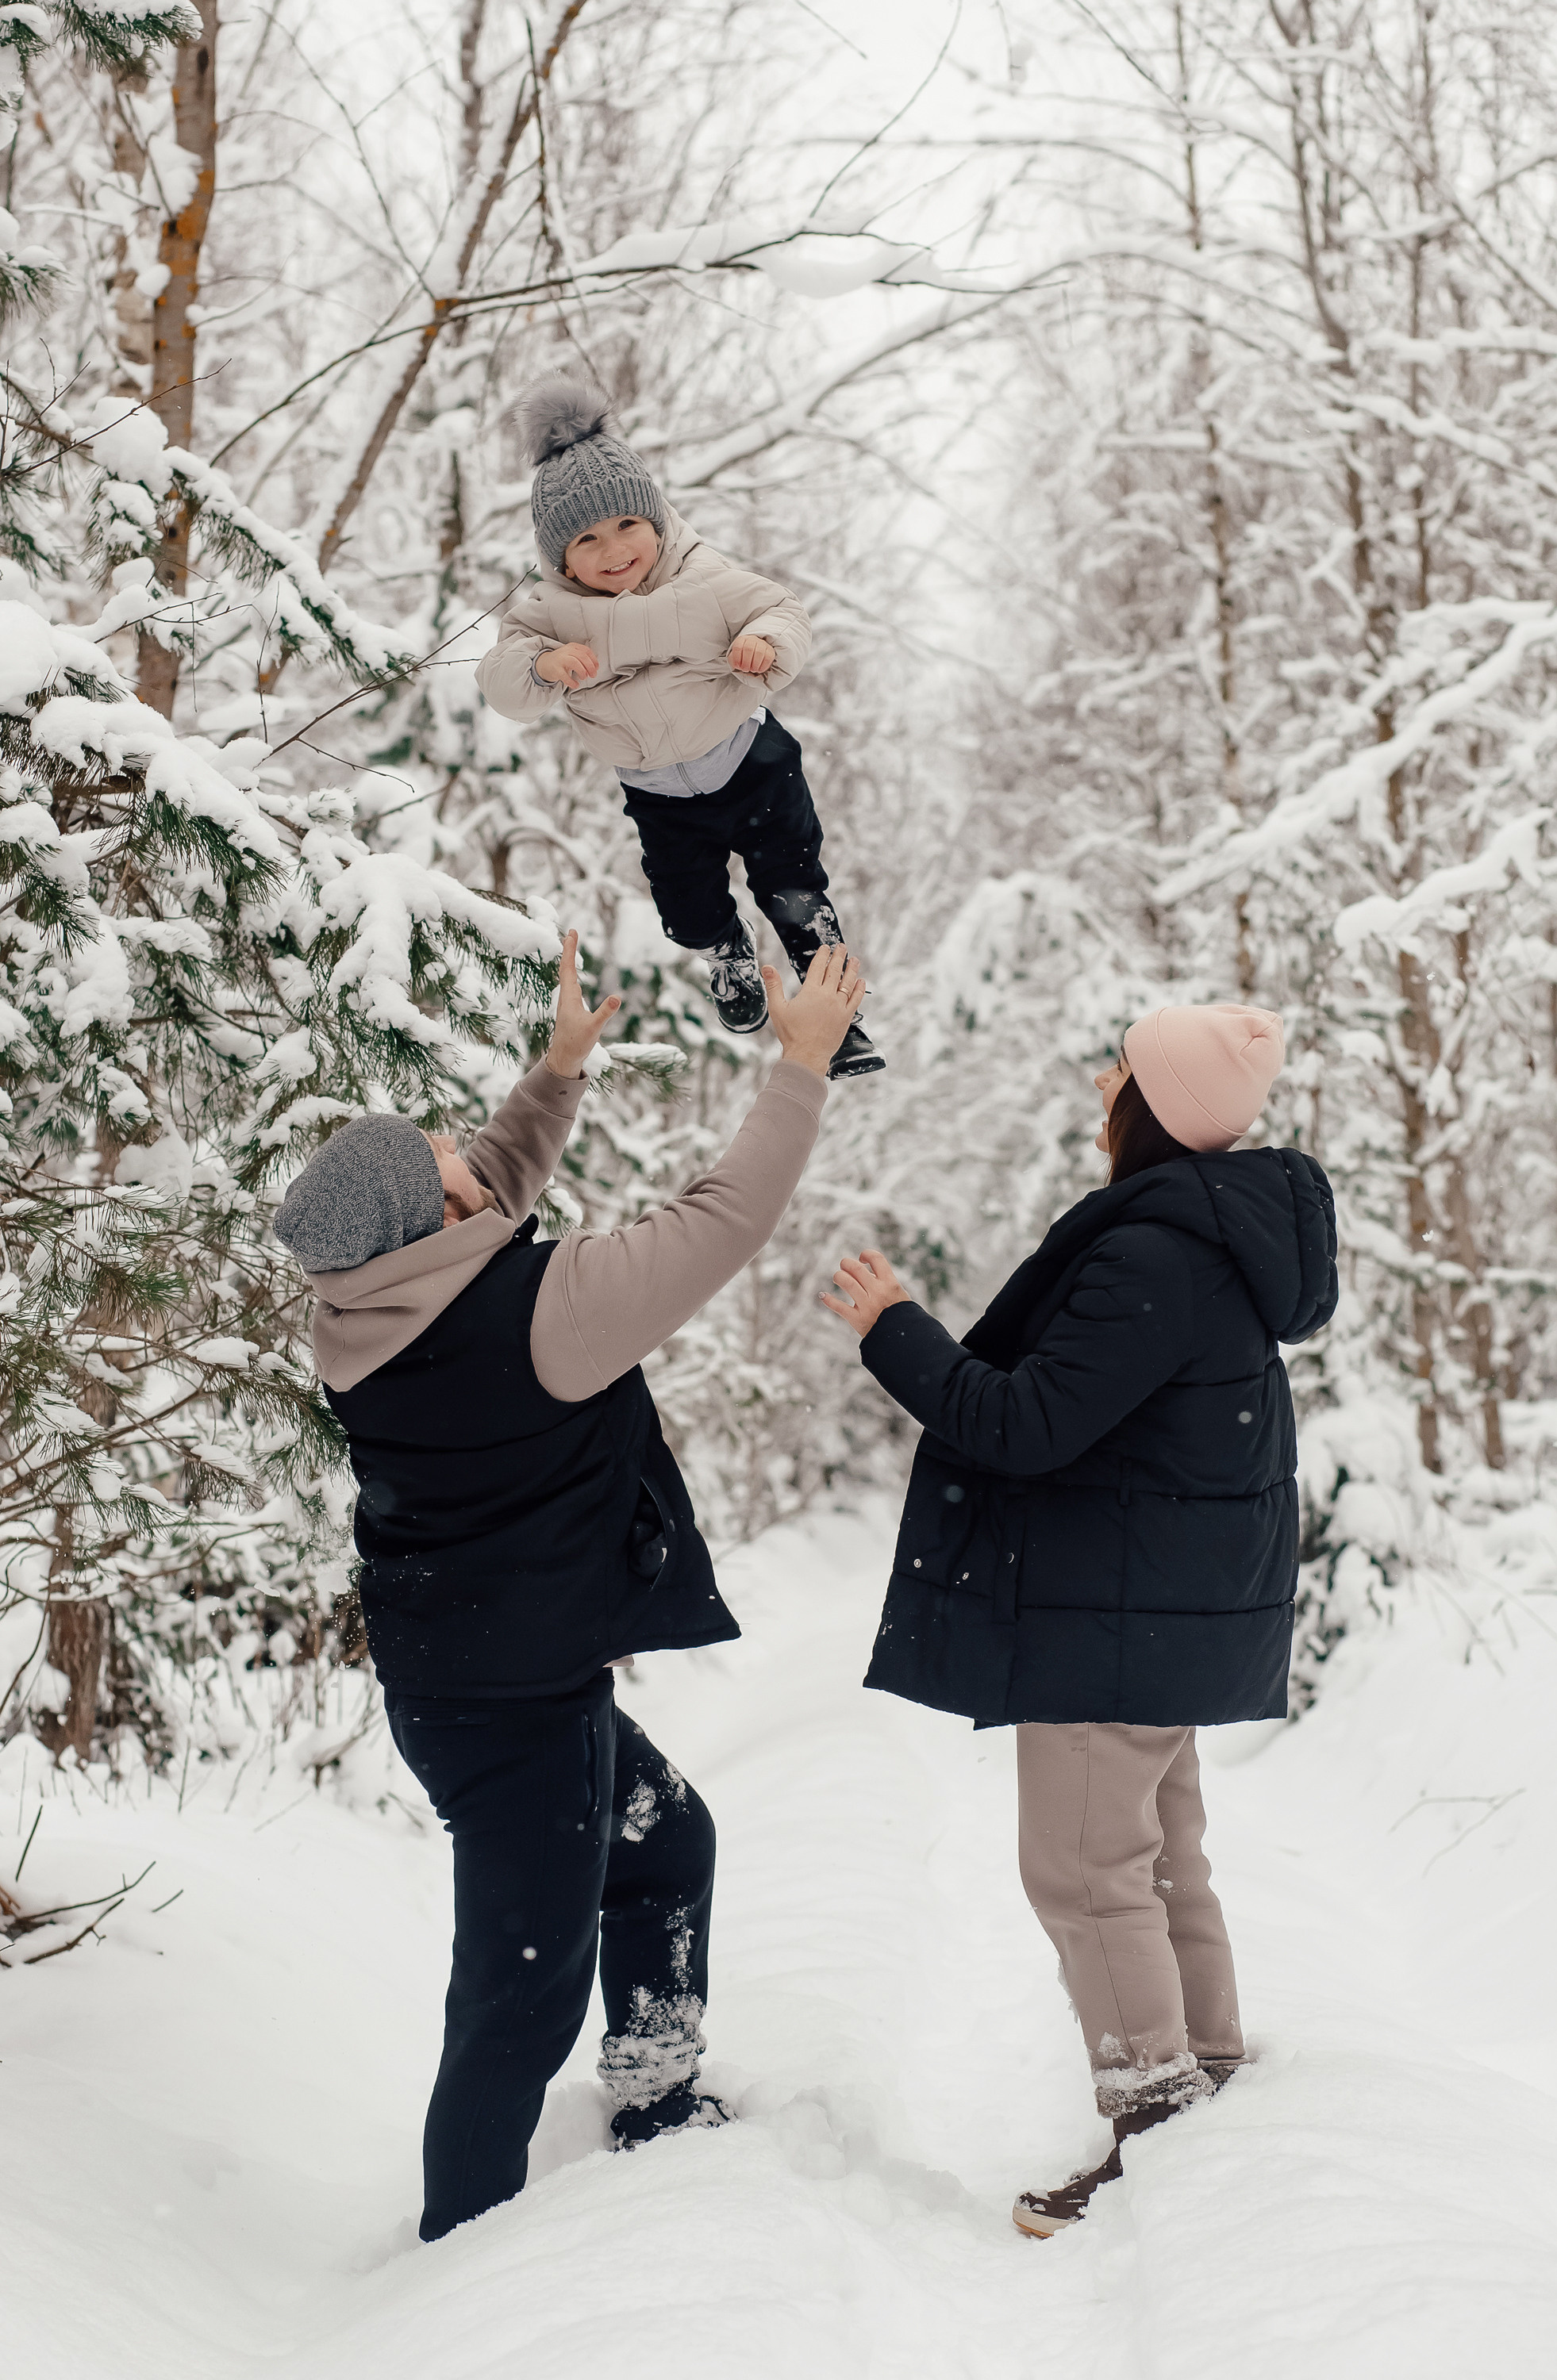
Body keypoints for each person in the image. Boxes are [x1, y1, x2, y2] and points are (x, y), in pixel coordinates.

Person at [274, 930, 866, 2240]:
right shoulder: (543, 1317)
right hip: (516, 1712)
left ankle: (656, 2104)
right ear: (428, 1219)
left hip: (476, 1682)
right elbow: (723, 1222)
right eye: (436, 1157)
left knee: (667, 1842)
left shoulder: (362, 1314)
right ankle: (462, 2265)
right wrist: (802, 1067)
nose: (461, 1153)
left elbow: (488, 1182)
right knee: (515, 1999)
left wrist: (556, 1072)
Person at [821, 1003, 1336, 2236]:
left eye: (1121, 1067)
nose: (1102, 1078)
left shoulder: (1157, 1252)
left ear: (1148, 1104)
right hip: (1160, 1604)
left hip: (1119, 1616)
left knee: (1082, 1868)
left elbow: (1025, 1424)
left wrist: (894, 1330)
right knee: (1160, 1858)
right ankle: (1203, 2075)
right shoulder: (1218, 1236)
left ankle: (1158, 2123)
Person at [474, 372, 883, 1080]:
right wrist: (543, 665)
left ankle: (837, 1020)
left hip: (751, 762)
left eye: (628, 525)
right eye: (588, 540)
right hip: (661, 796)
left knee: (797, 897)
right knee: (688, 914)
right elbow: (500, 682)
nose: (613, 550)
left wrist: (766, 645)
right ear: (557, 556)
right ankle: (727, 951)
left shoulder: (702, 577)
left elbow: (782, 610)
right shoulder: (546, 614)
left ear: (656, 521)